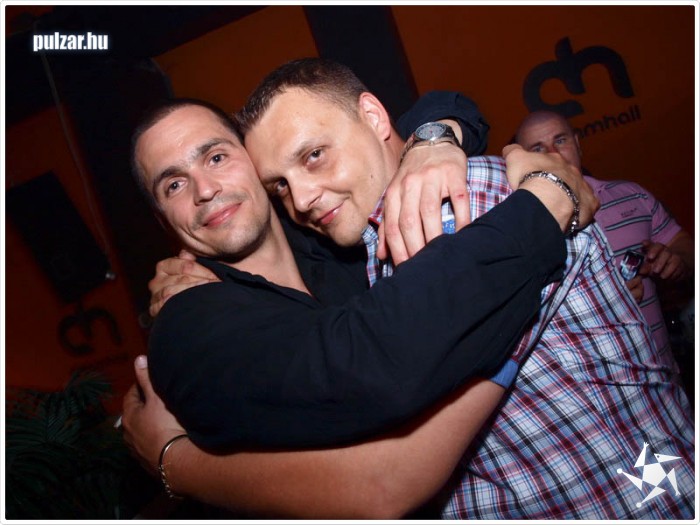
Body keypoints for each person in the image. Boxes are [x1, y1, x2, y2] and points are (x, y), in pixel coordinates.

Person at [126, 59, 693, 519]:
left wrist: (436, 136)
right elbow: (378, 451)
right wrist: (546, 201)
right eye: (173, 184)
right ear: (160, 218)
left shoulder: (412, 222)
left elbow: (439, 109)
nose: (204, 189)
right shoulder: (190, 321)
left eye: (217, 157)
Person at [513, 109, 694, 357]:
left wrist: (677, 261)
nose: (554, 154)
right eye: (538, 149)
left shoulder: (632, 196)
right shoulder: (520, 231)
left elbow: (684, 245)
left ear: (577, 144)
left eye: (560, 140)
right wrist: (601, 304)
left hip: (666, 375)